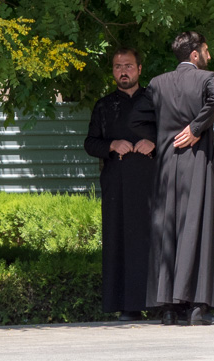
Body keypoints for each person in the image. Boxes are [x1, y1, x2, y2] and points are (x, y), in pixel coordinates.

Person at [146, 29, 214, 326]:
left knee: (168, 231)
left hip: (165, 166)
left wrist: (149, 141)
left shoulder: (156, 83)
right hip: (197, 164)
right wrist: (196, 128)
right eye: (206, 50)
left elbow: (142, 117)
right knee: (198, 229)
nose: (209, 55)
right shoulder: (208, 79)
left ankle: (168, 309)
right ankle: (197, 309)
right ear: (195, 54)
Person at [84, 47, 157, 319]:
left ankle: (161, 304)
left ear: (139, 69)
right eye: (117, 66)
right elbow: (90, 143)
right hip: (116, 186)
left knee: (153, 242)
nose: (123, 71)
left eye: (128, 66)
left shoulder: (155, 102)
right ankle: (128, 307)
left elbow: (174, 136)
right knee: (120, 242)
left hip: (151, 185)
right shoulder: (104, 105)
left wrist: (156, 144)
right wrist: (112, 144)